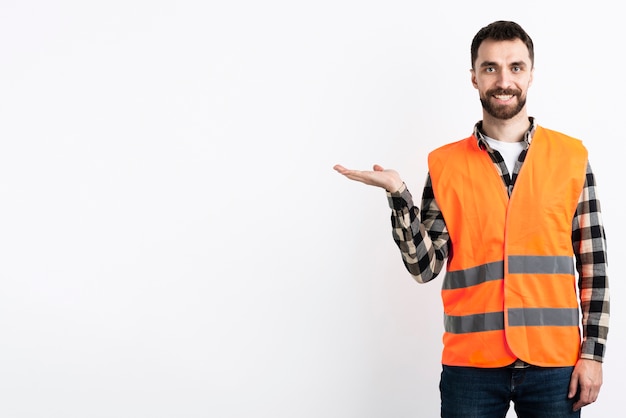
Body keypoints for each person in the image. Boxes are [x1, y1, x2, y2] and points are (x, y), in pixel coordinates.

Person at [333, 20, 609, 417]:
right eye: (490, 67)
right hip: (472, 363)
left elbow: (594, 267)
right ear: (474, 77)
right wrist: (398, 195)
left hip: (555, 361)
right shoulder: (445, 164)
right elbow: (425, 268)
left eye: (515, 67)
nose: (503, 79)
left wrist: (593, 355)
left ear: (531, 74)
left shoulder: (571, 158)